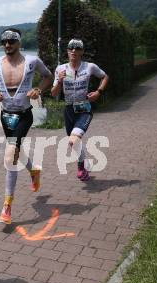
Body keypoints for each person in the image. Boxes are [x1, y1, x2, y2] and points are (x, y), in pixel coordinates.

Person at [0, 28, 53, 224]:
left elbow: (47, 76)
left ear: (19, 42)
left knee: (10, 155)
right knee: (15, 151)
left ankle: (7, 206)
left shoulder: (32, 61)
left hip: (24, 115)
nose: (8, 44)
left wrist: (38, 89)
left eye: (12, 41)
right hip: (6, 116)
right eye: (4, 41)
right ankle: (33, 171)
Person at [51, 38, 109, 181]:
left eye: (77, 48)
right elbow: (53, 93)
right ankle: (83, 164)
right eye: (71, 48)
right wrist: (59, 80)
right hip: (69, 109)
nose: (74, 51)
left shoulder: (89, 67)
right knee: (73, 142)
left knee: (74, 139)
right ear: (67, 51)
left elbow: (105, 76)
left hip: (84, 109)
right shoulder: (60, 69)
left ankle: (81, 167)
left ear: (82, 51)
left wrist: (98, 92)